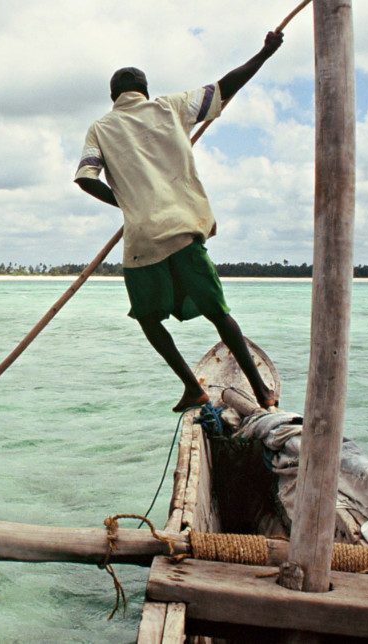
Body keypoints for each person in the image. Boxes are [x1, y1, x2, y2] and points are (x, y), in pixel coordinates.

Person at [74, 32, 284, 412]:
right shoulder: (170, 107)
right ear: (145, 90)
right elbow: (226, 86)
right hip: (184, 231)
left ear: (113, 98)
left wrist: (126, 202)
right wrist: (264, 53)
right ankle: (262, 390)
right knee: (220, 315)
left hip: (142, 242)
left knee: (148, 319)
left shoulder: (100, 128)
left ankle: (193, 387)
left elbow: (86, 178)